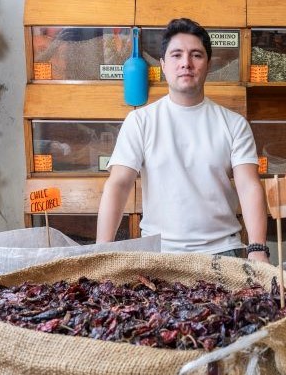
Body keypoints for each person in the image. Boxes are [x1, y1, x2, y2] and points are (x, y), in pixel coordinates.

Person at [96, 18, 269, 262]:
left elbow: (249, 186)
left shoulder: (234, 124)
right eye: (176, 55)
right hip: (159, 252)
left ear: (208, 65)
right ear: (164, 65)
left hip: (223, 251)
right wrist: (101, 251)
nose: (186, 63)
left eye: (196, 55)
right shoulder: (140, 121)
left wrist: (257, 249)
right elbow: (118, 184)